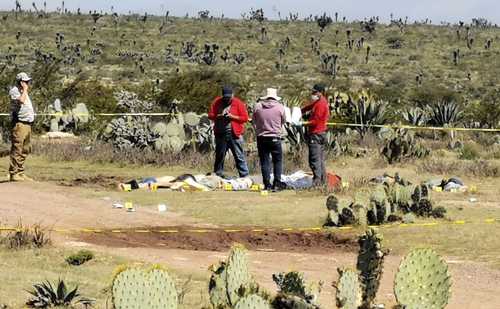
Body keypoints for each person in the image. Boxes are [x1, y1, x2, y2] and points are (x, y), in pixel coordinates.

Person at [208, 86, 250, 178]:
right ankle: (218, 176)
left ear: (232, 95)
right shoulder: (217, 102)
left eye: (229, 97)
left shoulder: (238, 103)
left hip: (235, 134)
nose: (227, 99)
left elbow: (245, 118)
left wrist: (232, 117)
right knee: (220, 156)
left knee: (239, 156)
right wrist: (219, 116)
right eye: (225, 97)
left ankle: (245, 176)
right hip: (220, 133)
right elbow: (210, 115)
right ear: (222, 96)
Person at [252, 88, 287, 191]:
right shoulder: (280, 107)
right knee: (277, 161)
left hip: (261, 137)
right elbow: (284, 121)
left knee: (265, 161)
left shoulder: (257, 106)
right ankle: (277, 182)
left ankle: (267, 184)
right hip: (275, 137)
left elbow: (254, 120)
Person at [301, 84, 330, 187]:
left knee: (314, 159)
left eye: (314, 92)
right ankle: (323, 181)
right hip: (320, 133)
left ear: (320, 92)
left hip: (316, 134)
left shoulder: (321, 104)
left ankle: (317, 183)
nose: (312, 94)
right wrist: (300, 111)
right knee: (320, 159)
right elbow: (309, 107)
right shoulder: (319, 102)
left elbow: (315, 121)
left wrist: (304, 123)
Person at [9, 72, 35, 182]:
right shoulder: (15, 90)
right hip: (19, 123)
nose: (28, 83)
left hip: (27, 124)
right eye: (25, 81)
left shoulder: (23, 91)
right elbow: (21, 101)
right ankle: (14, 173)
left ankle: (20, 171)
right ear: (21, 81)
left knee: (25, 149)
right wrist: (25, 90)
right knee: (17, 148)